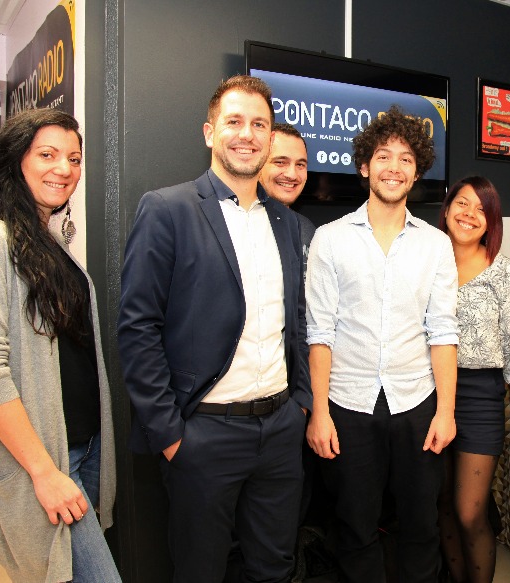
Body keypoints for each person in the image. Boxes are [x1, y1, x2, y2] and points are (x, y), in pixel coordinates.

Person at [118, 75, 311, 583]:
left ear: (270, 137)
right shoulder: (167, 210)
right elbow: (138, 328)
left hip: (280, 430)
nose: (247, 134)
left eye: (259, 125)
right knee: (200, 571)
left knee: (274, 568)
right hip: (203, 434)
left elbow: (297, 320)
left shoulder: (285, 222)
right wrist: (171, 435)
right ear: (209, 132)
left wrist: (301, 405)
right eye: (235, 122)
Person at [305, 105, 459, 583]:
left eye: (406, 159)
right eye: (384, 156)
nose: (395, 167)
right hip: (348, 406)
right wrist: (319, 412)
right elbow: (320, 333)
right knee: (354, 528)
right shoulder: (330, 240)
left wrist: (446, 412)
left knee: (421, 525)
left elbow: (443, 332)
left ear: (417, 172)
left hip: (417, 403)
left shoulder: (435, 245)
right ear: (364, 166)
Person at [0, 108, 118, 582]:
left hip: (84, 449)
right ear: (17, 160)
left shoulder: (49, 243)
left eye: (74, 158)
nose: (64, 169)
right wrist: (44, 472)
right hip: (48, 461)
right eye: (47, 155)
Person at [436, 176, 510, 583]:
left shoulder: (503, 273)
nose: (470, 214)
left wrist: (505, 386)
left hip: (480, 396)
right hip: (427, 392)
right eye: (463, 203)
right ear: (447, 208)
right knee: (441, 505)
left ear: (492, 222)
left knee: (470, 511)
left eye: (481, 209)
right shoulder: (428, 263)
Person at [259, 122, 316, 269]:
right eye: (280, 162)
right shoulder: (236, 225)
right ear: (258, 164)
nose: (292, 174)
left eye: (300, 165)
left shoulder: (307, 229)